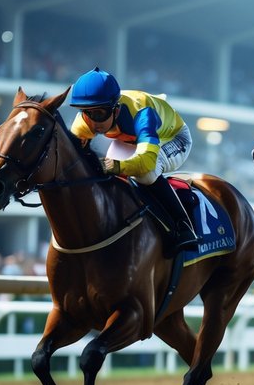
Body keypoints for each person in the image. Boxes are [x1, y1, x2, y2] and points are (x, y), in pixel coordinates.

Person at [68, 68, 198, 257]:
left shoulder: (142, 114)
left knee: (146, 174)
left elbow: (146, 162)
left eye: (100, 113)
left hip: (172, 137)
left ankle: (183, 226)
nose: (94, 122)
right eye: (88, 113)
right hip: (128, 140)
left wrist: (117, 166)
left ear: (116, 109)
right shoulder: (84, 121)